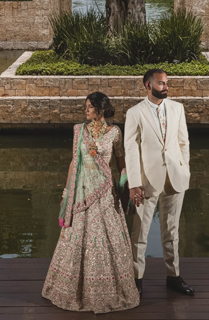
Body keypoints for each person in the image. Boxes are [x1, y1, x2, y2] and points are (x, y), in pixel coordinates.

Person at [42, 92, 140, 314]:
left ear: (101, 109)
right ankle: (72, 291)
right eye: (85, 106)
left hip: (106, 194)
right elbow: (73, 163)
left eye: (89, 107)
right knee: (77, 238)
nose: (85, 110)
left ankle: (109, 292)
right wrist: (67, 193)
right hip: (82, 194)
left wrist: (126, 189)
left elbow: (121, 165)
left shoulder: (115, 132)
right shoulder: (79, 131)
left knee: (108, 240)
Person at [124, 69, 194, 297]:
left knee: (172, 231)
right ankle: (137, 279)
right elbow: (130, 149)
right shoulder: (135, 113)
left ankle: (173, 277)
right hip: (146, 182)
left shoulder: (177, 109)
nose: (166, 87)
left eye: (166, 84)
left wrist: (185, 168)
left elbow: (184, 142)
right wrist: (134, 183)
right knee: (140, 234)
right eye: (161, 84)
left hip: (175, 179)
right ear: (148, 85)